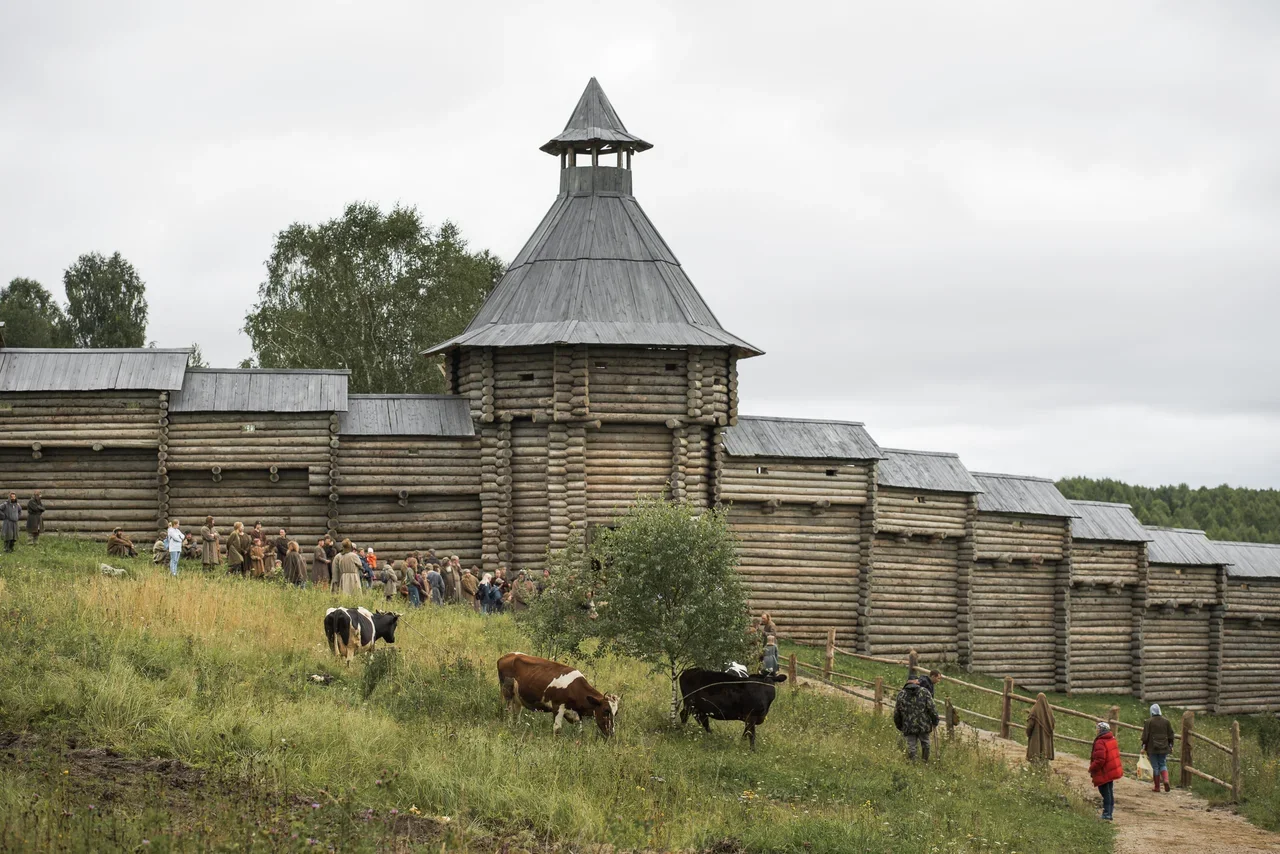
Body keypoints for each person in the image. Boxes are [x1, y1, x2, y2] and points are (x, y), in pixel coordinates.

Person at [893, 676, 939, 762]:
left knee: (911, 745)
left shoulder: (901, 694)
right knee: (926, 743)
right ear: (917, 682)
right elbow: (932, 708)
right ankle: (925, 761)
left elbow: (897, 713)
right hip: (923, 725)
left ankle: (913, 763)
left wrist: (900, 726)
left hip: (908, 725)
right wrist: (935, 720)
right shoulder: (924, 692)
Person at [1089, 721, 1124, 821]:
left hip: (1104, 771)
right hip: (1110, 770)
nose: (1096, 730)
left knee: (1105, 792)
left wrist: (1092, 768)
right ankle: (1109, 812)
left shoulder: (1100, 741)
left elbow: (1100, 759)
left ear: (1101, 730)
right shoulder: (1111, 739)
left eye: (1097, 728)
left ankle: (1107, 813)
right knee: (1109, 791)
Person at [1141, 703, 1176, 793]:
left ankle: (1157, 787)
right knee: (1163, 764)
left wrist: (1143, 747)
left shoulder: (1149, 721)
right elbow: (1171, 735)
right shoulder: (1166, 721)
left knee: (1155, 766)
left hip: (1152, 748)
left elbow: (1145, 737)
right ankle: (1166, 780)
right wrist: (1171, 746)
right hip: (1164, 747)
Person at [1026, 692, 1056, 762]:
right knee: (1044, 758)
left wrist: (1028, 733)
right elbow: (1053, 724)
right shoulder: (1049, 711)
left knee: (1035, 757)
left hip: (1036, 737)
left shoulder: (1034, 710)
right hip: (1047, 740)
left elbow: (1030, 725)